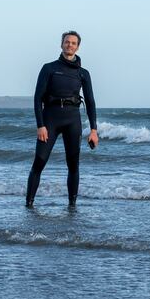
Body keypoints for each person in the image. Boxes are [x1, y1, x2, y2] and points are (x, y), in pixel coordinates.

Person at [26, 30, 98, 208]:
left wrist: (94, 130)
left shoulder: (83, 73)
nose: (70, 45)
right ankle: (29, 204)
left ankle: (72, 206)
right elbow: (37, 98)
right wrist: (40, 125)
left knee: (73, 164)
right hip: (50, 118)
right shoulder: (49, 68)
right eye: (67, 42)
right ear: (61, 44)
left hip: (73, 120)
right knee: (39, 161)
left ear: (78, 47)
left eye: (73, 43)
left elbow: (90, 102)